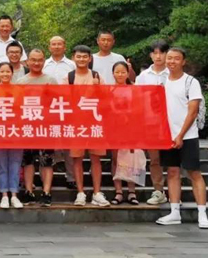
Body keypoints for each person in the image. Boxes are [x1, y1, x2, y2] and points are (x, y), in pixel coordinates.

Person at [156, 47, 208, 229]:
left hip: (188, 136)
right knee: (172, 172)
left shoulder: (190, 82)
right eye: (169, 58)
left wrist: (180, 135)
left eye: (176, 58)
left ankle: (202, 214)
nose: (172, 61)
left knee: (194, 173)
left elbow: (193, 111)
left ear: (183, 61)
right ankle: (174, 212)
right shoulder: (162, 82)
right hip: (167, 136)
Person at [62, 45, 110, 207]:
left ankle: (97, 193)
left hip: (95, 123)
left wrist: (97, 88)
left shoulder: (97, 76)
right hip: (76, 124)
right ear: (73, 58)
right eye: (78, 56)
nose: (81, 59)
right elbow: (64, 100)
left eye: (84, 57)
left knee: (96, 159)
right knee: (77, 159)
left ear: (90, 58)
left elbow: (106, 98)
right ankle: (80, 192)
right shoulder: (68, 78)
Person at [16, 49, 57, 207]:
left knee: (46, 161)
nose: (36, 63)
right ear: (27, 62)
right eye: (33, 60)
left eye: (40, 60)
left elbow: (57, 104)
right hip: (27, 126)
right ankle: (29, 191)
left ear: (44, 61)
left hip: (46, 126)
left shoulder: (51, 80)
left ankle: (46, 192)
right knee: (28, 160)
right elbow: (17, 105)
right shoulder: (21, 82)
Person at [136, 40, 170, 205]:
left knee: (173, 161)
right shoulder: (143, 77)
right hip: (150, 123)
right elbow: (137, 100)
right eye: (155, 53)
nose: (158, 56)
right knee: (154, 159)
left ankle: (174, 192)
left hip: (171, 123)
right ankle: (158, 190)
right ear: (150, 55)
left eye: (162, 53)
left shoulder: (173, 74)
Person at [43, 36, 77, 191]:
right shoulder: (44, 64)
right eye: (53, 44)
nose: (56, 47)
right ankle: (46, 179)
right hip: (47, 108)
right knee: (49, 144)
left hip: (68, 107)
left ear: (65, 46)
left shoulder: (72, 65)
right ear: (49, 47)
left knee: (69, 144)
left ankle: (71, 177)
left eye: (59, 44)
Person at [0, 62, 24, 209]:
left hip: (16, 131)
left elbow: (23, 110)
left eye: (7, 71)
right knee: (2, 164)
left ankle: (14, 195)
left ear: (12, 73)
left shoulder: (19, 90)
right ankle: (4, 194)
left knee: (15, 163)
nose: (5, 74)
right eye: (2, 71)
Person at [109, 61, 139, 206]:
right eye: (117, 72)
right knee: (116, 159)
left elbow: (140, 108)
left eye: (123, 72)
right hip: (114, 128)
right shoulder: (109, 89)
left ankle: (132, 191)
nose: (120, 75)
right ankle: (119, 191)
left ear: (128, 73)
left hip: (131, 127)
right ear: (113, 73)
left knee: (130, 159)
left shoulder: (134, 89)